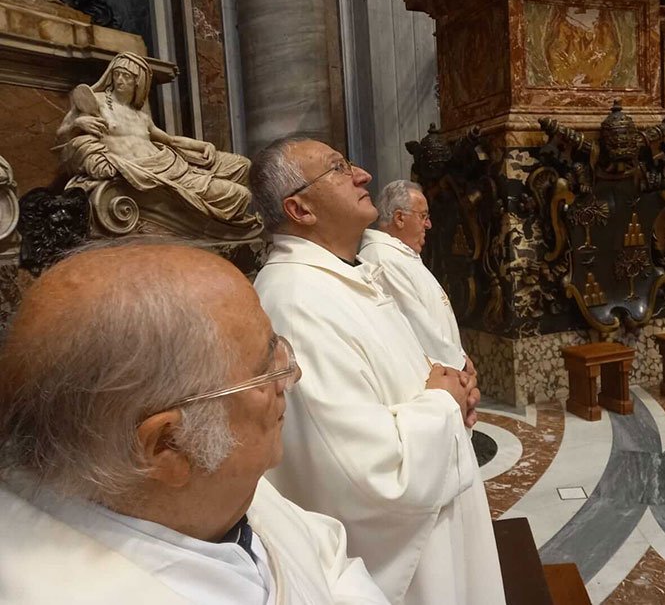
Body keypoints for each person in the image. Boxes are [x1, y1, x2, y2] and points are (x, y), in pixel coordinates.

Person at [0, 243, 389, 605]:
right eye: (263, 368)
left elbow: (323, 555)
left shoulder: (206, 489)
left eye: (278, 348)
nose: (291, 374)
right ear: (168, 445)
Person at [250, 136, 504, 605]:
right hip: (409, 564)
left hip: (440, 514)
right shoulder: (296, 300)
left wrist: (452, 387)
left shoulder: (340, 277)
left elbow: (397, 372)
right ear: (300, 209)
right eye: (339, 167)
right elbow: (368, 474)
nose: (363, 174)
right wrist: (442, 402)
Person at [56, 52, 254, 225]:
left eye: (127, 76)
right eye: (117, 74)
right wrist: (77, 124)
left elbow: (171, 140)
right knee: (239, 194)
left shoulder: (142, 116)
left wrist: (204, 145)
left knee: (242, 165)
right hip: (142, 174)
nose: (120, 80)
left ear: (138, 82)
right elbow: (61, 135)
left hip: (170, 166)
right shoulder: (96, 101)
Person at [359, 180, 468, 373]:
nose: (429, 224)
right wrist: (460, 365)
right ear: (400, 218)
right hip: (432, 373)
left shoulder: (400, 255)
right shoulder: (383, 259)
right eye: (423, 216)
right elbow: (417, 325)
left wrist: (460, 355)